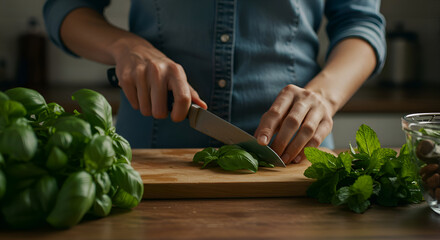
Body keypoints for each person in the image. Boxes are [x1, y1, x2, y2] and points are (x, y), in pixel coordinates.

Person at [43, 0, 385, 164]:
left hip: (296, 155)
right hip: (152, 157)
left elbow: (361, 22)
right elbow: (66, 8)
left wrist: (324, 95)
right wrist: (125, 47)